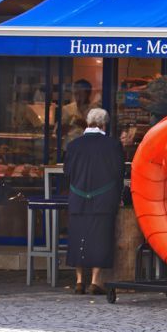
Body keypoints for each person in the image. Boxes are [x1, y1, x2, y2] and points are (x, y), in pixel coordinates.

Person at [63, 108, 125, 295]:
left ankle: (80, 280)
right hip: (104, 200)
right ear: (104, 124)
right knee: (100, 239)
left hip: (78, 199)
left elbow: (67, 173)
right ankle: (95, 281)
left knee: (78, 238)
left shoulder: (74, 146)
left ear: (87, 122)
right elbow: (118, 173)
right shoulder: (113, 146)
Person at [61, 79, 100, 148]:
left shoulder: (95, 110)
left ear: (88, 93)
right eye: (76, 93)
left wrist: (85, 125)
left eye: (80, 93)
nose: (78, 97)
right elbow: (58, 133)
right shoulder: (67, 109)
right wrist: (65, 127)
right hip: (70, 149)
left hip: (88, 149)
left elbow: (99, 135)